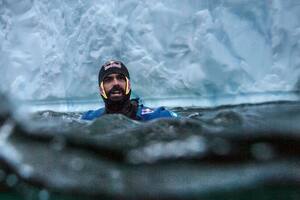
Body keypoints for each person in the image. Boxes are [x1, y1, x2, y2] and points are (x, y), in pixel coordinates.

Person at [81, 60, 178, 121]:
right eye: (108, 80)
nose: (115, 83)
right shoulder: (88, 119)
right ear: (101, 89)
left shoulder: (158, 116)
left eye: (120, 78)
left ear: (129, 85)